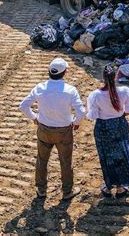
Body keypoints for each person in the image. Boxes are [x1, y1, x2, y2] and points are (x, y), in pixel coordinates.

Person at [19, 58, 86, 200]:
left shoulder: (40, 88)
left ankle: (41, 190)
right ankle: (67, 191)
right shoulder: (70, 90)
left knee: (42, 160)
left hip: (44, 129)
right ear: (64, 73)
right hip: (63, 131)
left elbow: (23, 106)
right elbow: (81, 111)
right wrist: (76, 122)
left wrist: (34, 118)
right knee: (65, 161)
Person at [87, 65, 129, 198]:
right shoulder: (125, 91)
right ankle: (121, 186)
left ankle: (108, 186)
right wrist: (119, 115)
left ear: (103, 78)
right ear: (116, 77)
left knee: (106, 156)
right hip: (120, 125)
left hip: (103, 127)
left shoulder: (95, 95)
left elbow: (92, 116)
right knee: (123, 153)